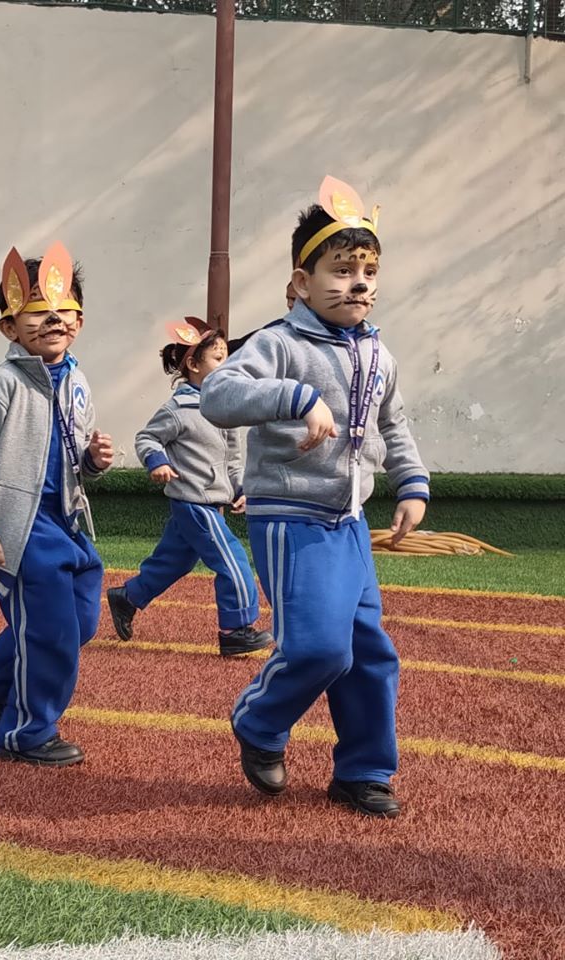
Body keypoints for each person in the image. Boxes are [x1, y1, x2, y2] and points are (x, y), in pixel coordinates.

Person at [200, 176, 429, 817]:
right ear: (301, 282)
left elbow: (393, 424)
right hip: (291, 517)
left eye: (368, 271)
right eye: (341, 270)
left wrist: (411, 483)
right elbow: (217, 395)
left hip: (347, 522)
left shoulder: (378, 352)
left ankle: (363, 771)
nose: (359, 284)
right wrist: (296, 396)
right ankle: (259, 719)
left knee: (369, 652)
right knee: (319, 647)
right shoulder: (279, 343)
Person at [0, 242, 113, 767]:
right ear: (11, 327)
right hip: (20, 530)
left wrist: (92, 461)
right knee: (52, 632)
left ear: (79, 320)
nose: (53, 318)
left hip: (69, 523)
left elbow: (70, 459)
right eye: (37, 309)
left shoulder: (78, 381)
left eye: (64, 308)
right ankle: (26, 732)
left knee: (81, 623)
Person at [106, 318, 272, 657]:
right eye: (218, 359)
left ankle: (128, 597)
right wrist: (157, 461)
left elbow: (231, 458)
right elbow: (147, 438)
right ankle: (235, 630)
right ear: (194, 366)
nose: (226, 365)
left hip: (211, 501)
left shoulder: (225, 409)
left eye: (227, 358)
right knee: (233, 560)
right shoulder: (178, 409)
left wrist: (239, 488)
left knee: (174, 562)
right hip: (193, 501)